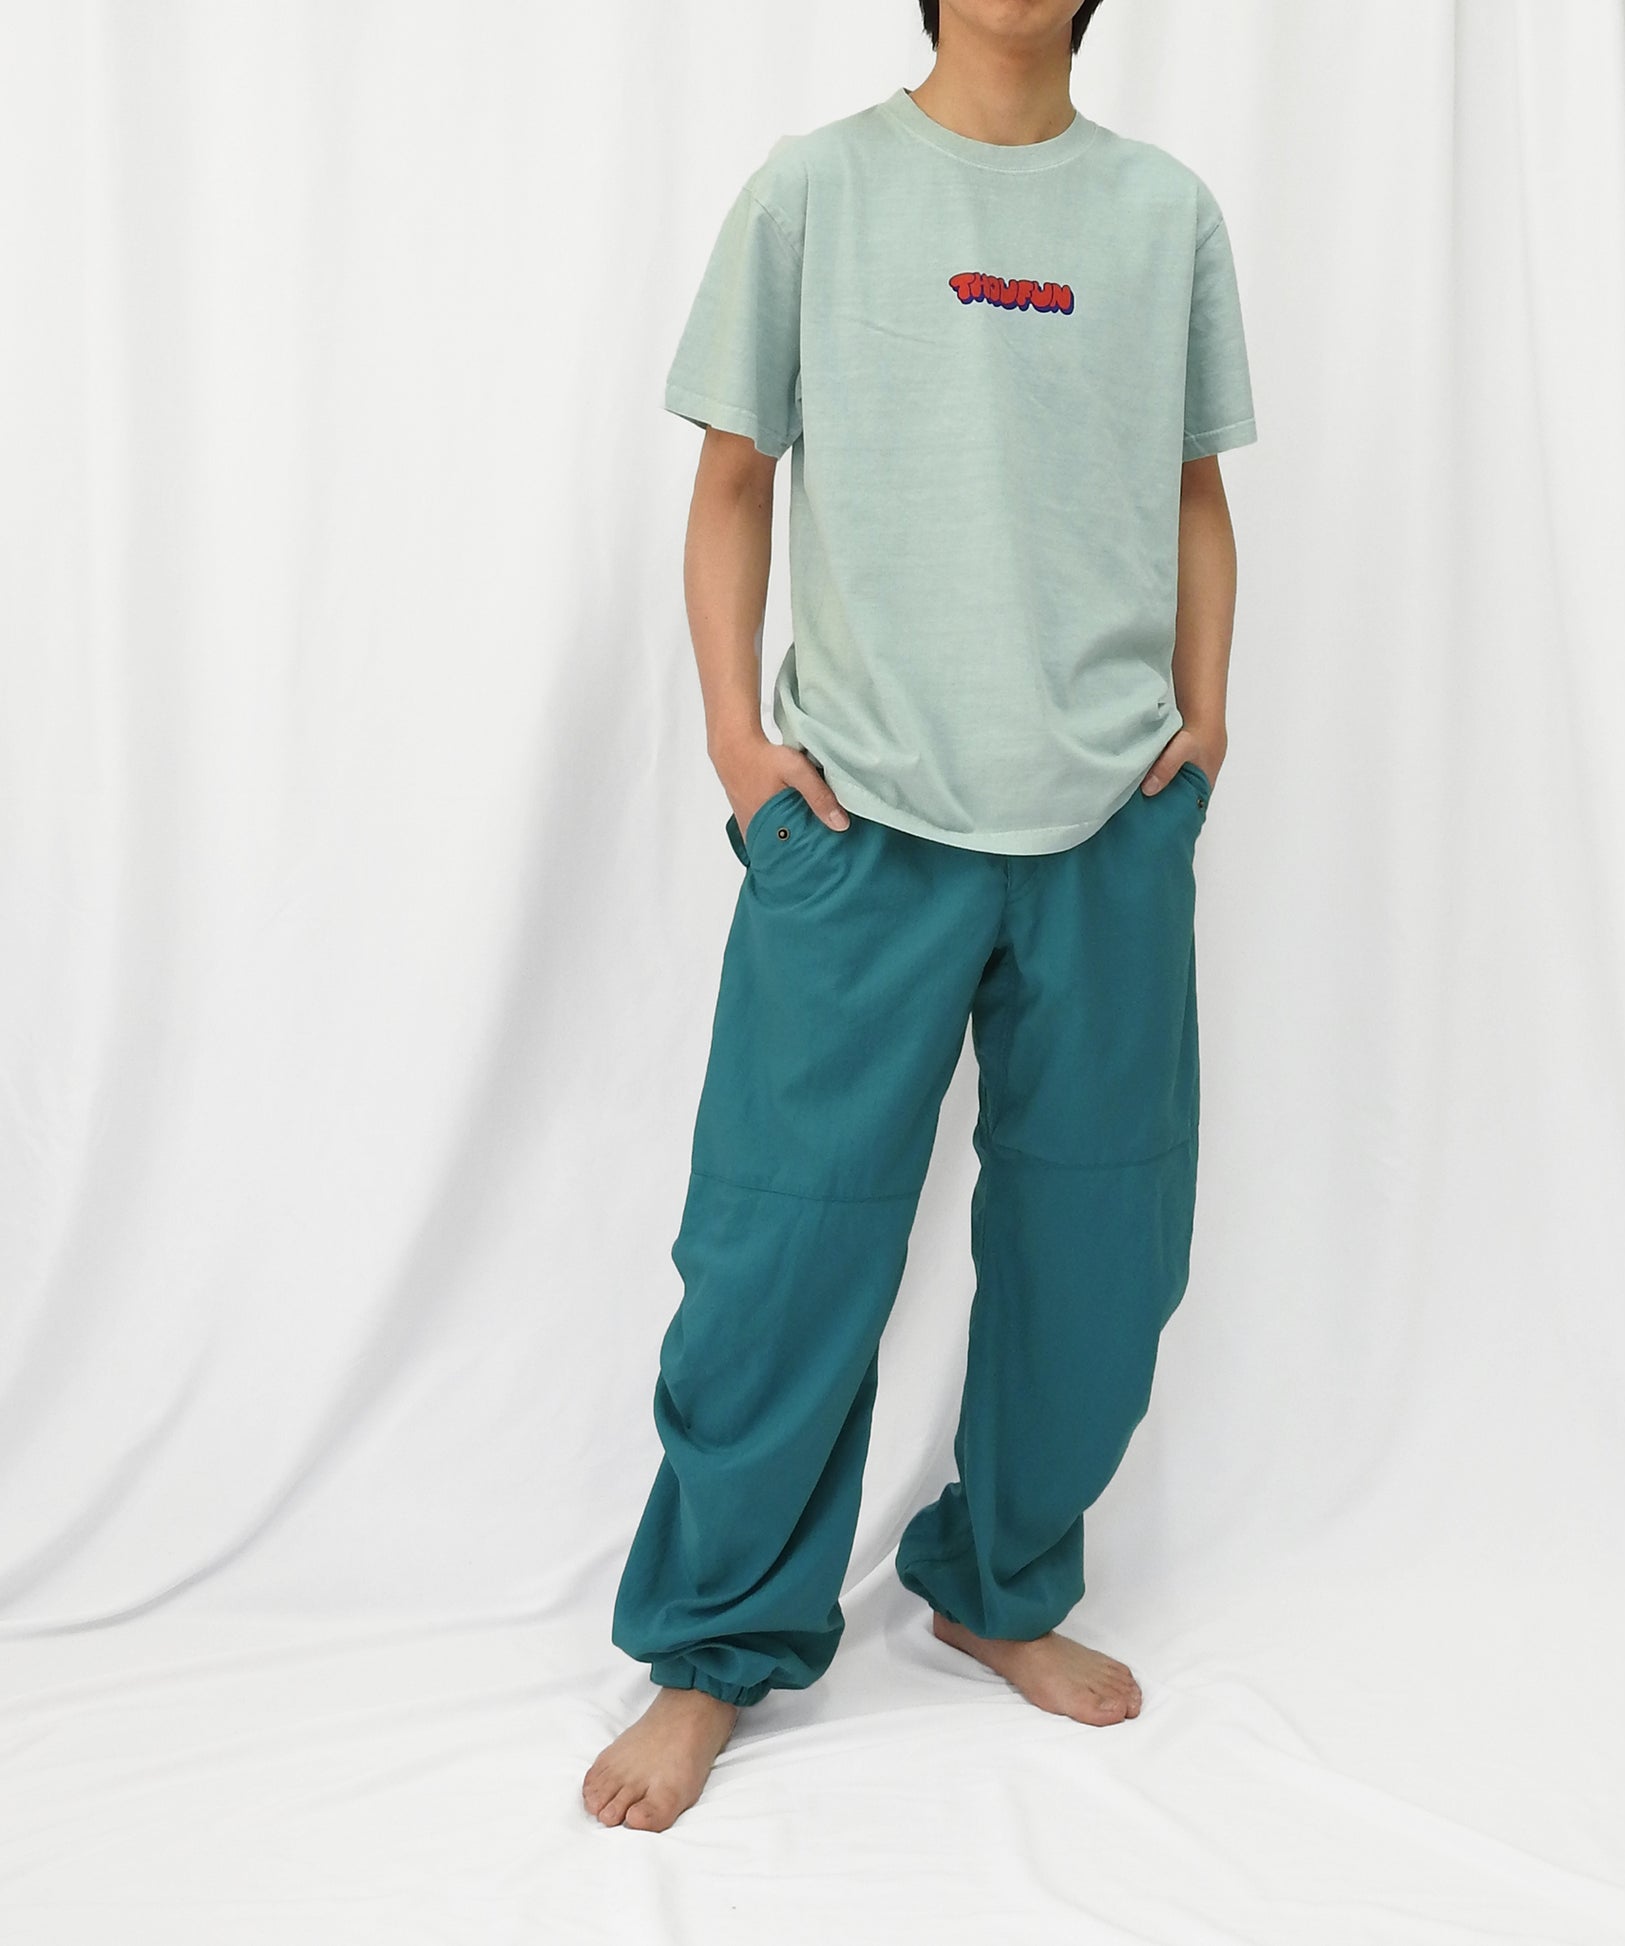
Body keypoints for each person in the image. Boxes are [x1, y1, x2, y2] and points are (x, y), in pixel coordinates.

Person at [584, 0, 1255, 1834]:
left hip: (1106, 824)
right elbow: (733, 479)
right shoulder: (814, 191)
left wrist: (1202, 728)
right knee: (778, 1258)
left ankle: (995, 1582)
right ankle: (715, 1645)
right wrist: (737, 747)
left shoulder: (1164, 213)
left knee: (1103, 1255)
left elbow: (1192, 492)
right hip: (858, 820)